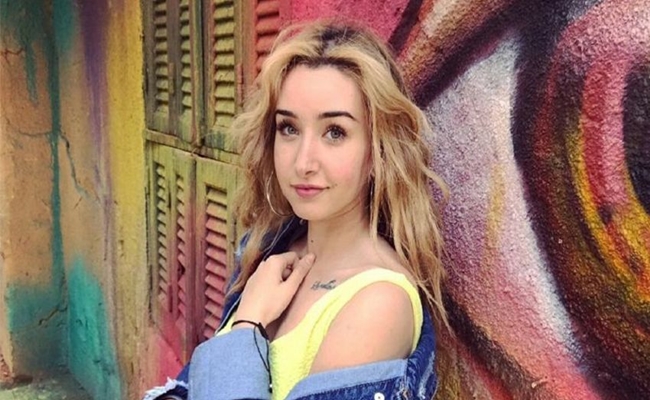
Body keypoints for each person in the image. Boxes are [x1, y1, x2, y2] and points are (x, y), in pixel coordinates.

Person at [144, 20, 448, 400]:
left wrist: (247, 324)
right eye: (288, 128)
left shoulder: (378, 304)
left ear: (378, 150)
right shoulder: (271, 248)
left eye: (334, 132)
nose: (303, 162)